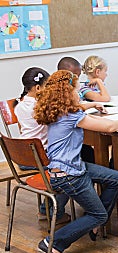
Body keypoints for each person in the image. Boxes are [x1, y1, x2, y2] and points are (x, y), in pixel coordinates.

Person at [34, 70, 118, 253]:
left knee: (117, 178)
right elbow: (109, 128)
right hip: (69, 175)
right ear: (68, 92)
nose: (79, 92)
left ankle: (94, 224)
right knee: (98, 214)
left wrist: (94, 106)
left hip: (68, 168)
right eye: (77, 89)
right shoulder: (71, 114)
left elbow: (89, 114)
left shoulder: (59, 109)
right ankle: (53, 243)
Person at [14, 67, 71, 225]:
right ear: (38, 88)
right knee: (70, 170)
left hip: (22, 157)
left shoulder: (19, 106)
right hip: (40, 157)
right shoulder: (41, 107)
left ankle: (45, 209)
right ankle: (53, 212)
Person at [58, 56, 96, 163]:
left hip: (65, 148)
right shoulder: (62, 101)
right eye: (75, 78)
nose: (77, 81)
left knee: (88, 151)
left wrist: (93, 105)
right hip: (65, 153)